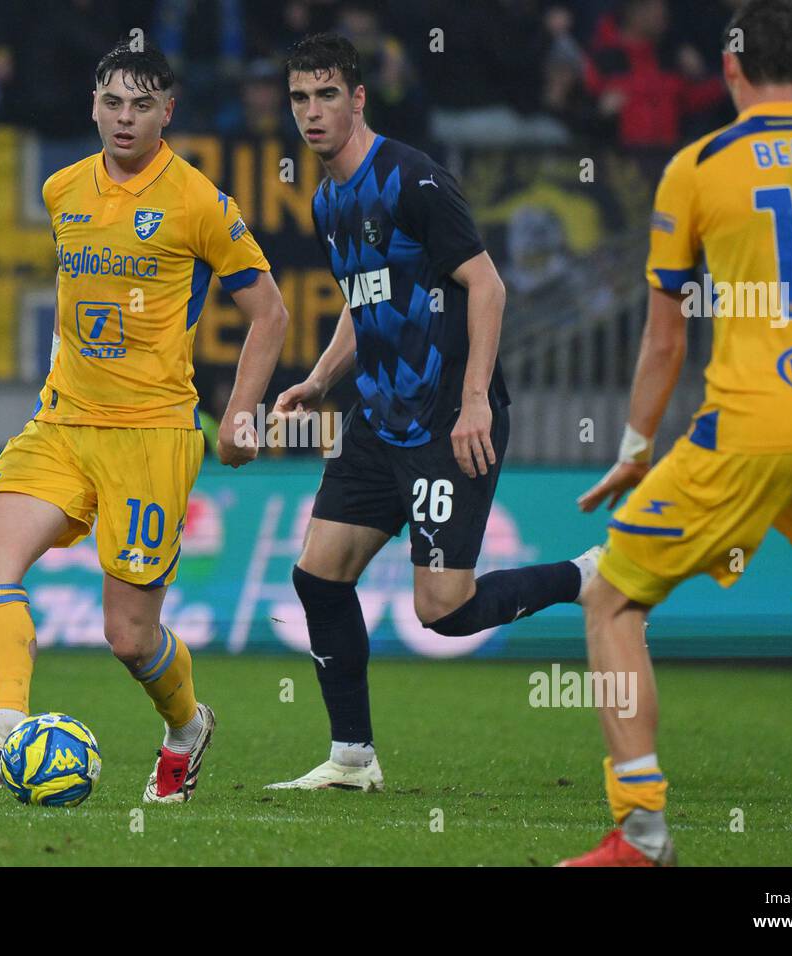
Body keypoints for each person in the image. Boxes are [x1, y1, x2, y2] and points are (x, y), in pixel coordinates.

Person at [562, 0, 792, 866]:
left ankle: (643, 830)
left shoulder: (697, 167)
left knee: (612, 598)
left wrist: (633, 448)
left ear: (729, 71)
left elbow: (665, 338)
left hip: (752, 421)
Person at [0, 40, 289, 804]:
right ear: (93, 104)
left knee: (129, 635)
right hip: (63, 422)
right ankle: (5, 731)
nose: (125, 118)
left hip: (152, 432)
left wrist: (241, 413)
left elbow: (271, 313)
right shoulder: (62, 190)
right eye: (113, 102)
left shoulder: (200, 203)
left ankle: (187, 727)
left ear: (166, 113)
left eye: (142, 105)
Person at [266, 34, 600, 792]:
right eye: (298, 98)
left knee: (443, 612)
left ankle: (586, 578)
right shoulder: (327, 200)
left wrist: (476, 399)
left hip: (449, 421)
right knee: (318, 578)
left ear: (358, 98)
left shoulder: (412, 180)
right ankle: (352, 758)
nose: (311, 112)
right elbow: (365, 299)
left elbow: (487, 286)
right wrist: (321, 380)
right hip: (378, 421)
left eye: (326, 95)